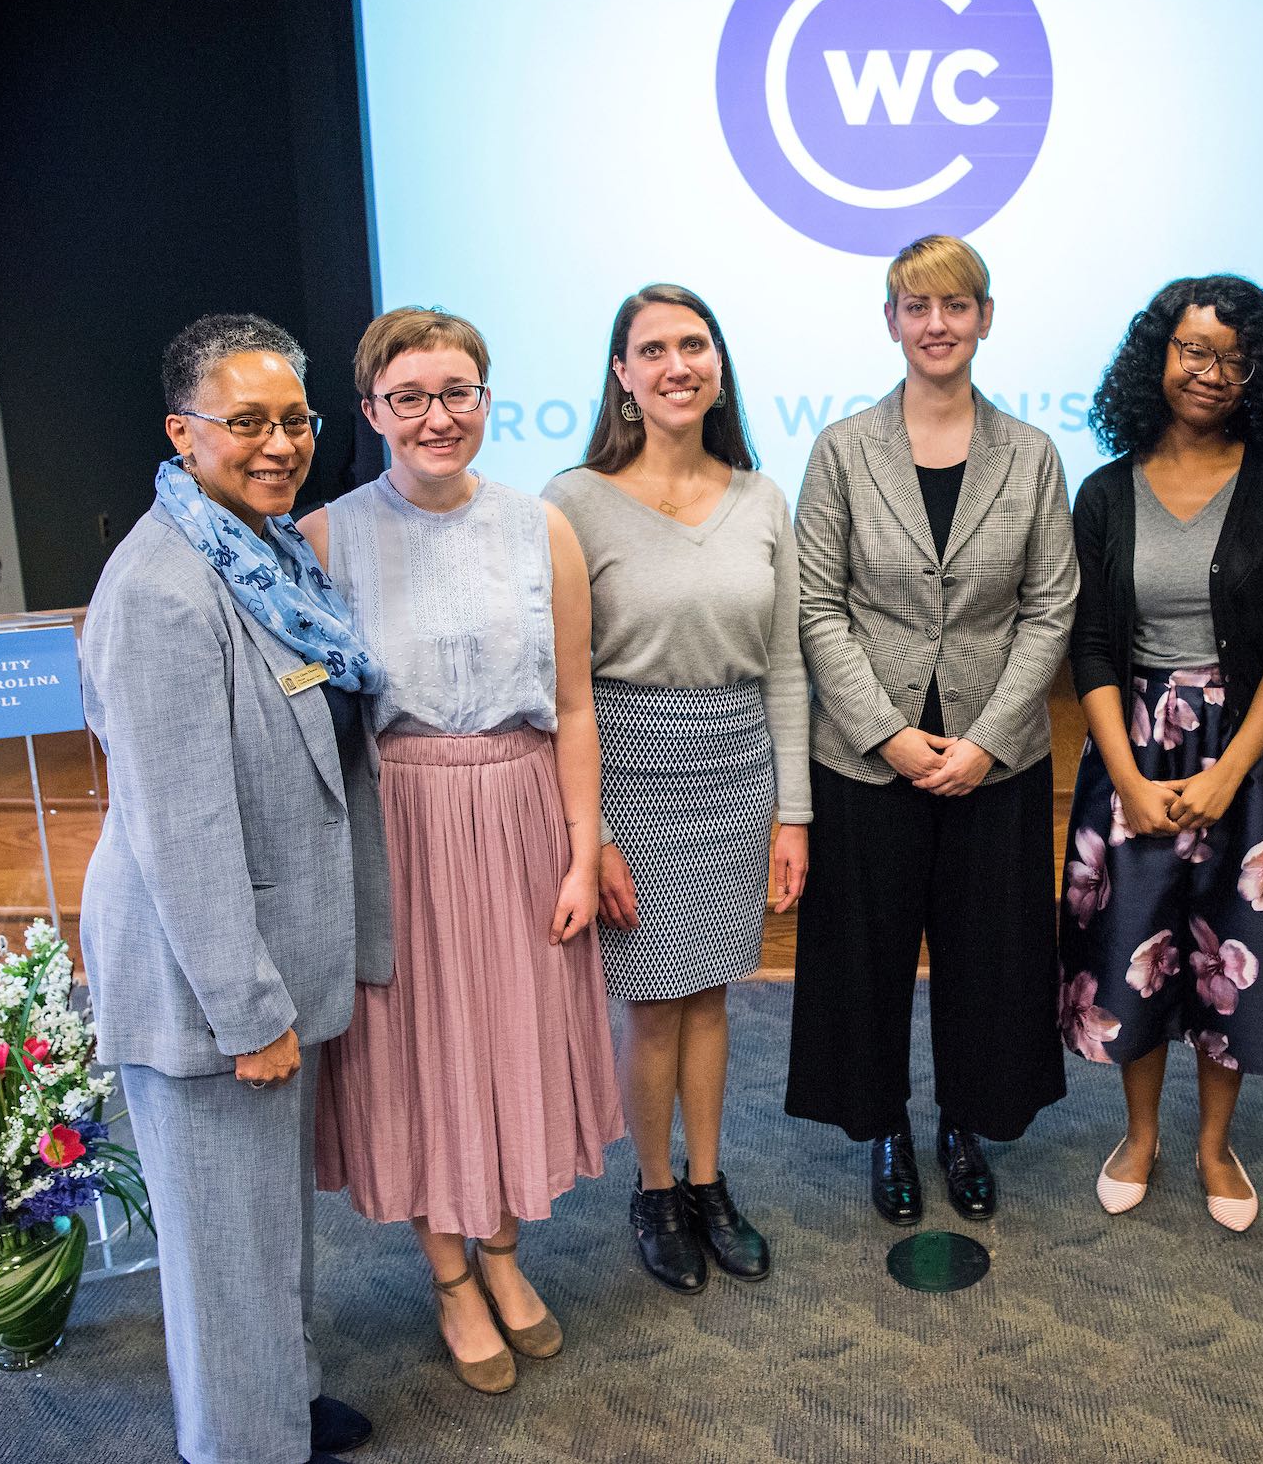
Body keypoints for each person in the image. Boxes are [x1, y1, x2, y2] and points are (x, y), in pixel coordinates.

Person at [79, 313, 382, 1464]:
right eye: (245, 421)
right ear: (181, 431)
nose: (279, 442)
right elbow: (181, 828)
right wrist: (249, 1010)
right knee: (220, 1245)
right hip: (203, 978)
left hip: (268, 948)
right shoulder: (163, 585)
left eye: (295, 418)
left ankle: (282, 1392)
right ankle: (242, 1441)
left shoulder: (258, 552)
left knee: (263, 1219)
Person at [302, 307, 623, 1391]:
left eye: (458, 393)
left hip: (523, 809)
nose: (437, 417)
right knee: (419, 1047)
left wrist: (583, 851)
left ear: (487, 400)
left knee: (509, 1039)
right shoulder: (324, 538)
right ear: (372, 411)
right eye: (410, 397)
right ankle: (448, 1274)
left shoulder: (544, 528)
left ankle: (502, 1250)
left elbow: (575, 706)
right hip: (400, 821)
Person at [1059, 275, 1263, 1234]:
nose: (1211, 371)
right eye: (1194, 349)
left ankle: (1214, 1145)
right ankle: (1140, 1136)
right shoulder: (1104, 492)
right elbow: (1093, 646)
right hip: (1134, 747)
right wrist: (1131, 780)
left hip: (1256, 751)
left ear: (1257, 374)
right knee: (1138, 949)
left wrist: (1229, 774)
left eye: (1233, 357)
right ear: (1159, 355)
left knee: (1236, 949)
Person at [786, 234, 1076, 1226]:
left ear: (985, 317)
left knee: (987, 955)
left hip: (997, 762)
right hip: (869, 763)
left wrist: (988, 739)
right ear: (892, 321)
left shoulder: (1033, 454)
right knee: (865, 958)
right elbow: (818, 605)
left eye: (957, 305)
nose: (938, 324)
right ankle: (886, 1129)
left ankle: (964, 1123)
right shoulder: (840, 449)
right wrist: (889, 734)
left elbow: (1050, 609)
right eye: (918, 306)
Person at [540, 284, 805, 1296]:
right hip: (629, 768)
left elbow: (785, 665)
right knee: (654, 1003)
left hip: (738, 766)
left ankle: (708, 1180)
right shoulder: (572, 500)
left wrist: (794, 813)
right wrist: (591, 830)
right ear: (621, 373)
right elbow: (561, 683)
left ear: (720, 364)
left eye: (694, 344)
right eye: (651, 349)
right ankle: (653, 1188)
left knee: (712, 992)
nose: (676, 363)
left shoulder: (762, 495)